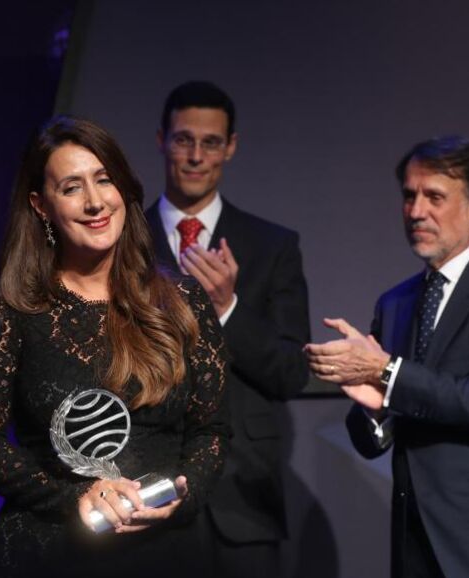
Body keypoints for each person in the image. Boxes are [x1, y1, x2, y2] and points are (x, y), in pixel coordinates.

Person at [0, 116, 229, 578]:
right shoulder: (12, 309)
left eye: (104, 180)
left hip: (166, 551)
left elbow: (212, 431)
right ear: (41, 206)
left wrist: (183, 494)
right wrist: (73, 497)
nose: (95, 201)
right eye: (71, 188)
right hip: (51, 552)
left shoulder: (184, 301)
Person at [305, 136, 469, 578]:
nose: (416, 211)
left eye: (434, 197)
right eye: (409, 196)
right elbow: (373, 437)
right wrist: (375, 411)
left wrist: (386, 372)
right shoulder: (395, 302)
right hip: (418, 543)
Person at [145, 80, 310, 576]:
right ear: (162, 141)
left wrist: (227, 308)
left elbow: (289, 373)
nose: (196, 156)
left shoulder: (272, 245)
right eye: (184, 140)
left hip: (241, 496)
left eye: (211, 142)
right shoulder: (123, 242)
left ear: (230, 147)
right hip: (143, 490)